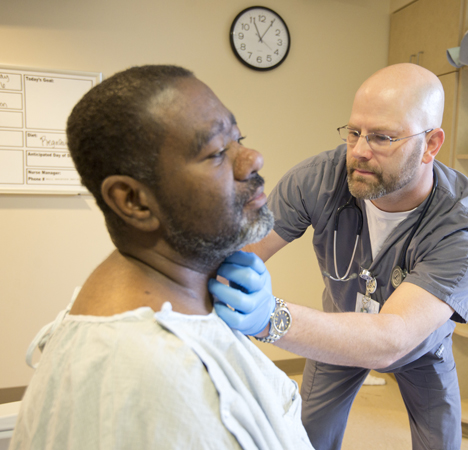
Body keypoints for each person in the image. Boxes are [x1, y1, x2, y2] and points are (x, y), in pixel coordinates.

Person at [10, 65, 313, 450]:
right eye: (219, 152)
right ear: (133, 201)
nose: (253, 158)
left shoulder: (163, 289)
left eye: (240, 138)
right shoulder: (154, 379)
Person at [208, 63, 468, 450]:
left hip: (419, 349)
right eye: (354, 132)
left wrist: (268, 317)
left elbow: (392, 338)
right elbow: (240, 252)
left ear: (430, 144)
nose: (359, 151)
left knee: (440, 444)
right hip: (338, 332)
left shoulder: (465, 228)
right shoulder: (317, 180)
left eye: (382, 137)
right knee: (306, 437)